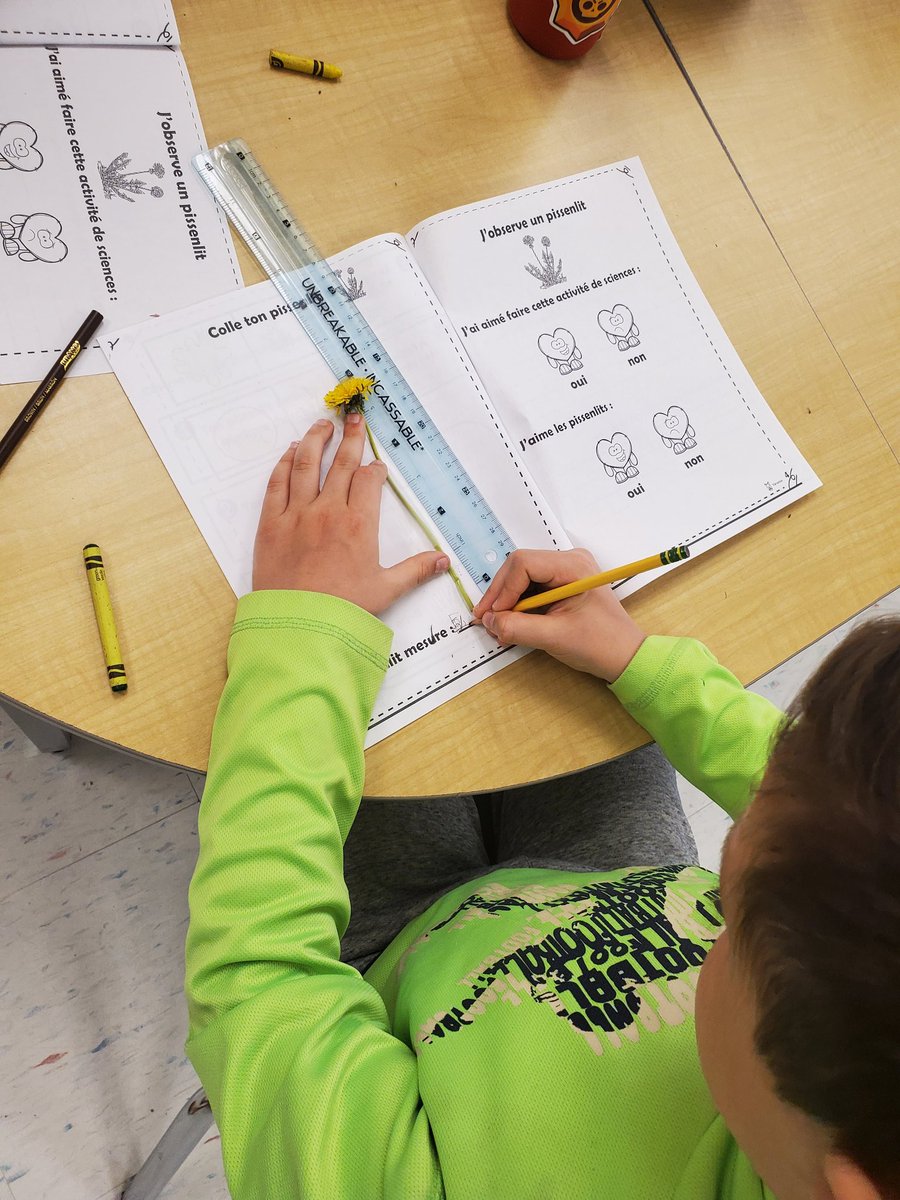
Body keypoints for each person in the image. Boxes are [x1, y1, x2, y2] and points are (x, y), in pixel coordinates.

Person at [184, 412, 900, 1200]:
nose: (727, 903)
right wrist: (642, 664)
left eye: (734, 910)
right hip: (622, 876)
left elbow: (257, 979)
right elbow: (833, 815)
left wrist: (306, 639)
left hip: (398, 943)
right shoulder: (835, 1087)